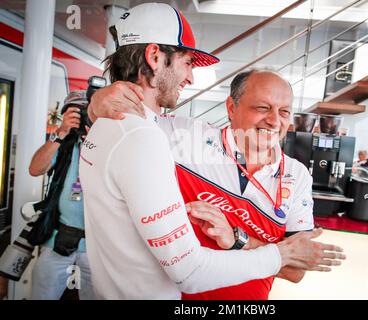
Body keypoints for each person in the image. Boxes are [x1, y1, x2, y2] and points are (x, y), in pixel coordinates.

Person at [80, 3, 345, 300]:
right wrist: (95, 102)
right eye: (262, 108)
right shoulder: (178, 137)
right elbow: (132, 120)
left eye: (284, 111)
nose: (274, 120)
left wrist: (238, 238)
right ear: (231, 108)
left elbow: (295, 268)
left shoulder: (297, 176)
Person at [28, 91, 95, 300]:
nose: (83, 116)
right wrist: (61, 132)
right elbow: (35, 169)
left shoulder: (107, 143)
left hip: (97, 246)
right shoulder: (63, 144)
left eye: (87, 112)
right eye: (76, 112)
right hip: (58, 239)